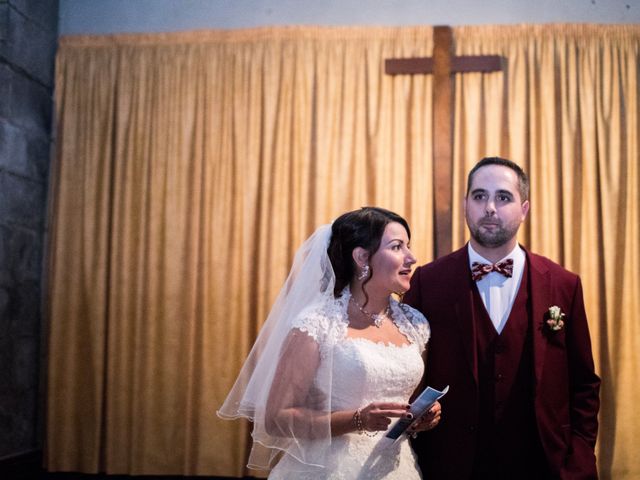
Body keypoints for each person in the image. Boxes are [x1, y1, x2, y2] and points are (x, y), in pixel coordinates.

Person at [404, 157, 600, 479]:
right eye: (479, 196)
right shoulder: (427, 282)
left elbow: (584, 384)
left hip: (544, 466)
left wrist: (577, 460)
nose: (490, 207)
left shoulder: (564, 284)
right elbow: (408, 372)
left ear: (524, 209)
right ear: (466, 205)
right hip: (451, 465)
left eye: (503, 197)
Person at [218, 207, 441, 479]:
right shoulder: (317, 324)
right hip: (327, 468)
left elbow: (405, 402)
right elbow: (275, 417)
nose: (411, 258)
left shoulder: (413, 324)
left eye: (408, 246)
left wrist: (419, 417)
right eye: (397, 247)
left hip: (397, 469)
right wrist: (357, 419)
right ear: (361, 257)